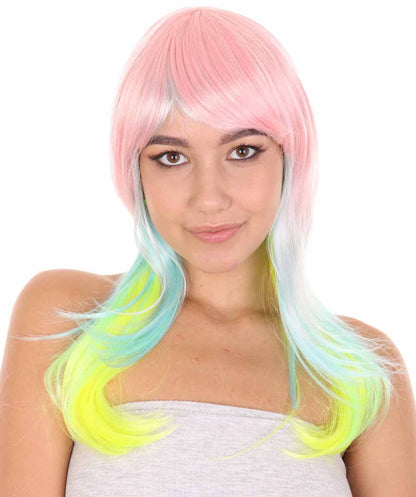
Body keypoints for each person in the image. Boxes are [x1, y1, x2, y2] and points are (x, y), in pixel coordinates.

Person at [1, 6, 415, 497]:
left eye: (243, 151)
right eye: (171, 157)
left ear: (291, 157)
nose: (210, 198)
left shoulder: (361, 369)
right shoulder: (69, 320)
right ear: (136, 172)